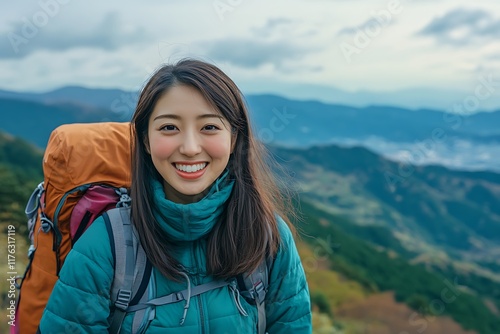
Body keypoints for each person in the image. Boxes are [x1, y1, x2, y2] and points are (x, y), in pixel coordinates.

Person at [39, 58, 312, 333]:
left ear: (234, 139)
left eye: (209, 127)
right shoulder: (105, 247)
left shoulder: (267, 237)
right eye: (169, 127)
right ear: (145, 140)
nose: (191, 148)